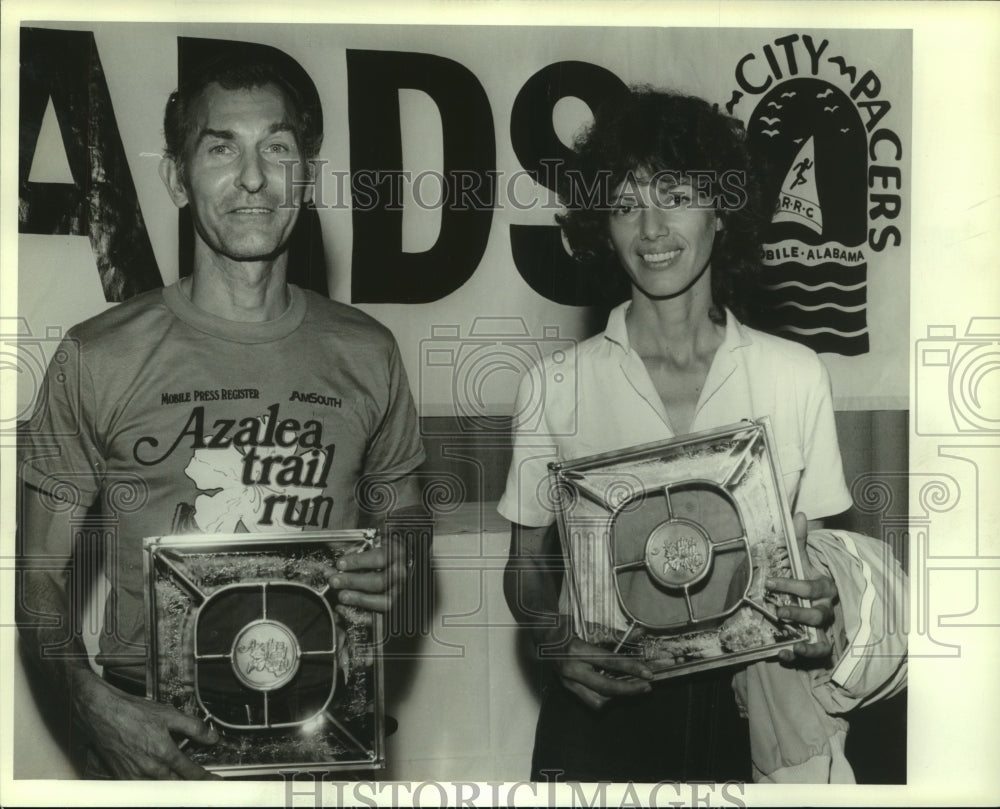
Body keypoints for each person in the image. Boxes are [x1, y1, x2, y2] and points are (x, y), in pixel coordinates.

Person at [16, 51, 425, 779]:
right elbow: (38, 579)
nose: (254, 178)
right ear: (177, 177)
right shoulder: (96, 356)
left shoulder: (369, 352)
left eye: (278, 147)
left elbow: (406, 515)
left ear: (306, 170)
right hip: (153, 742)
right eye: (220, 148)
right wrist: (91, 704)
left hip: (320, 728)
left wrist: (398, 553)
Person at [500, 88, 854, 783]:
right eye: (627, 203)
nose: (652, 228)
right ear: (603, 224)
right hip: (603, 716)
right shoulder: (555, 382)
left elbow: (833, 563)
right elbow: (526, 566)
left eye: (676, 195)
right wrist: (551, 638)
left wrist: (826, 597)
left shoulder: (796, 374)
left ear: (723, 209)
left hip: (758, 712)